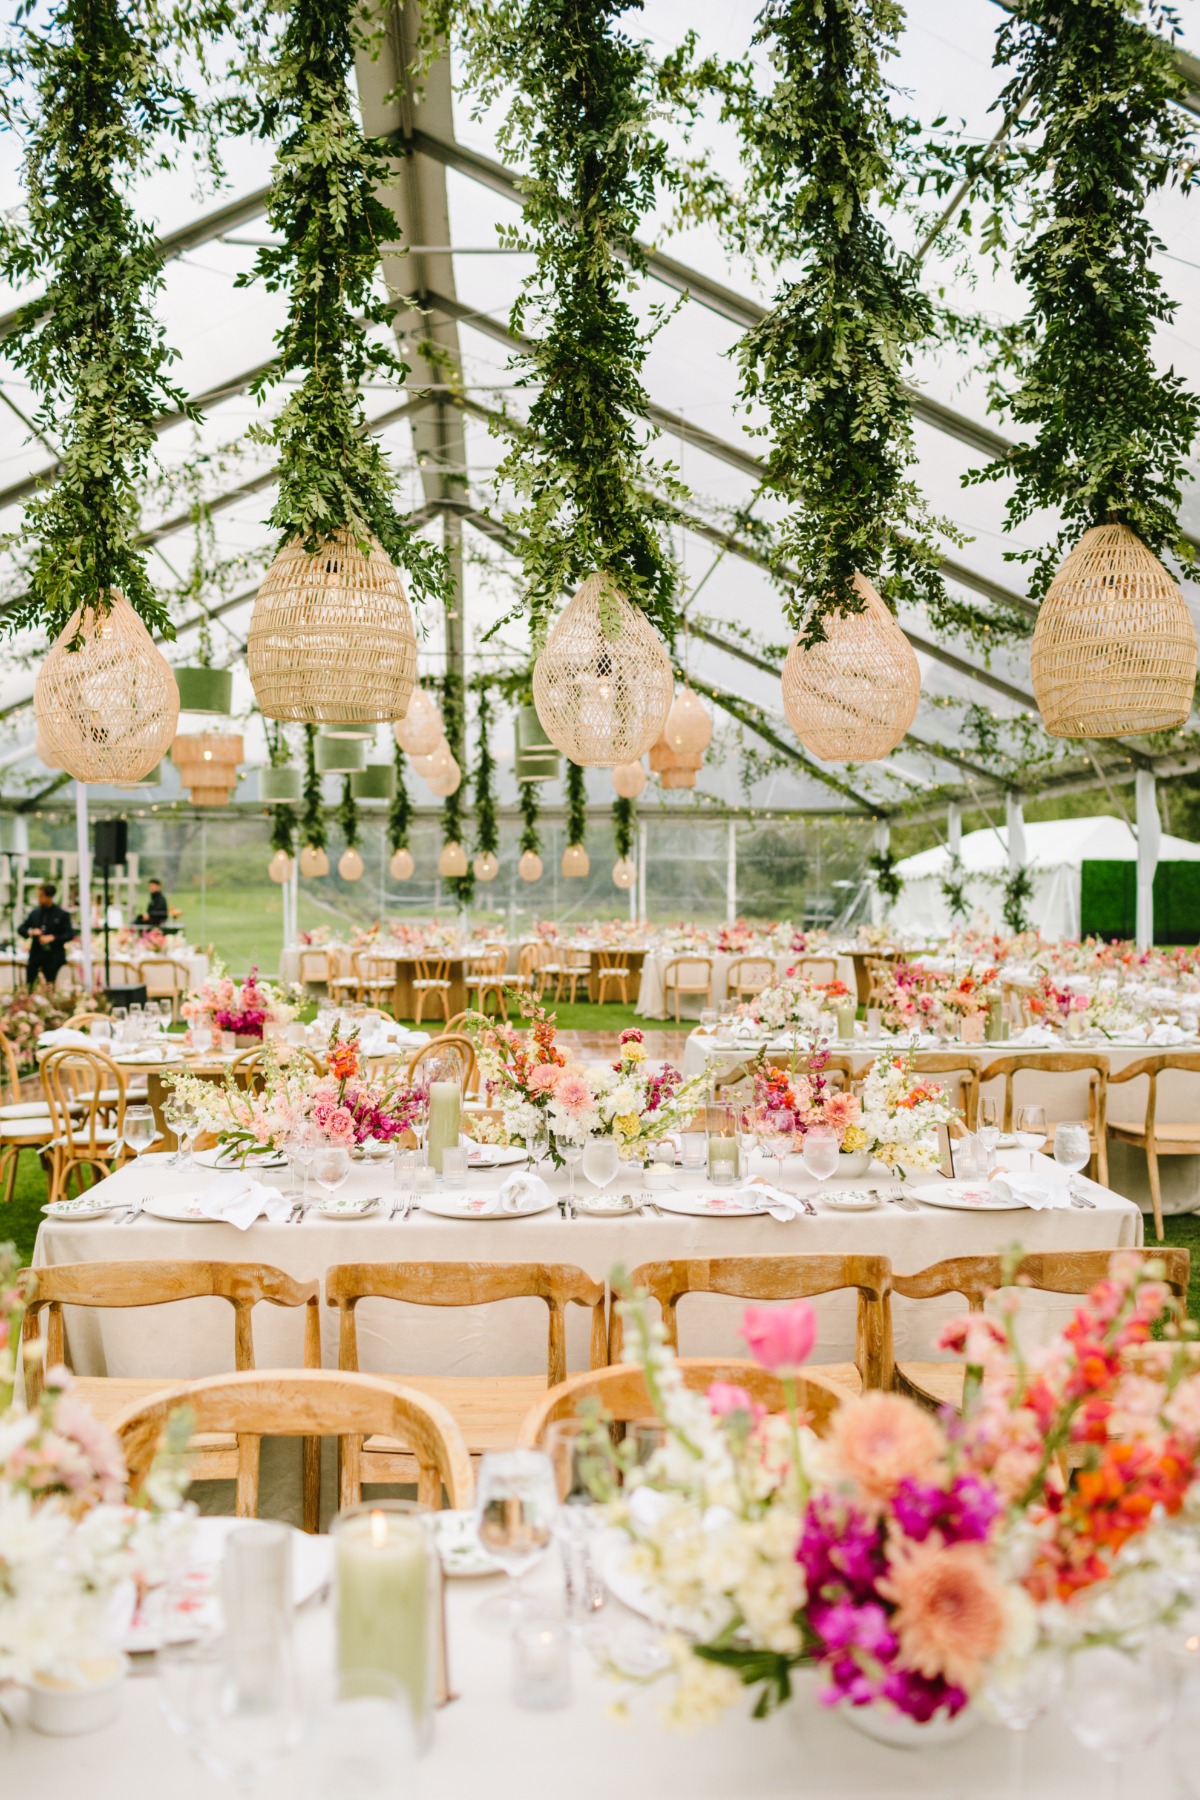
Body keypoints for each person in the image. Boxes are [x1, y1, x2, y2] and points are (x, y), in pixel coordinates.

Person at [18, 882, 73, 987]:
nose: (39, 899)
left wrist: (53, 938)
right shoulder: (35, 913)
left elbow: (69, 934)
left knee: (49, 985)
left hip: (53, 957)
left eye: (41, 896)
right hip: (36, 955)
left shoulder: (61, 914)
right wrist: (31, 932)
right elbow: (21, 929)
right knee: (31, 984)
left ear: (49, 896)